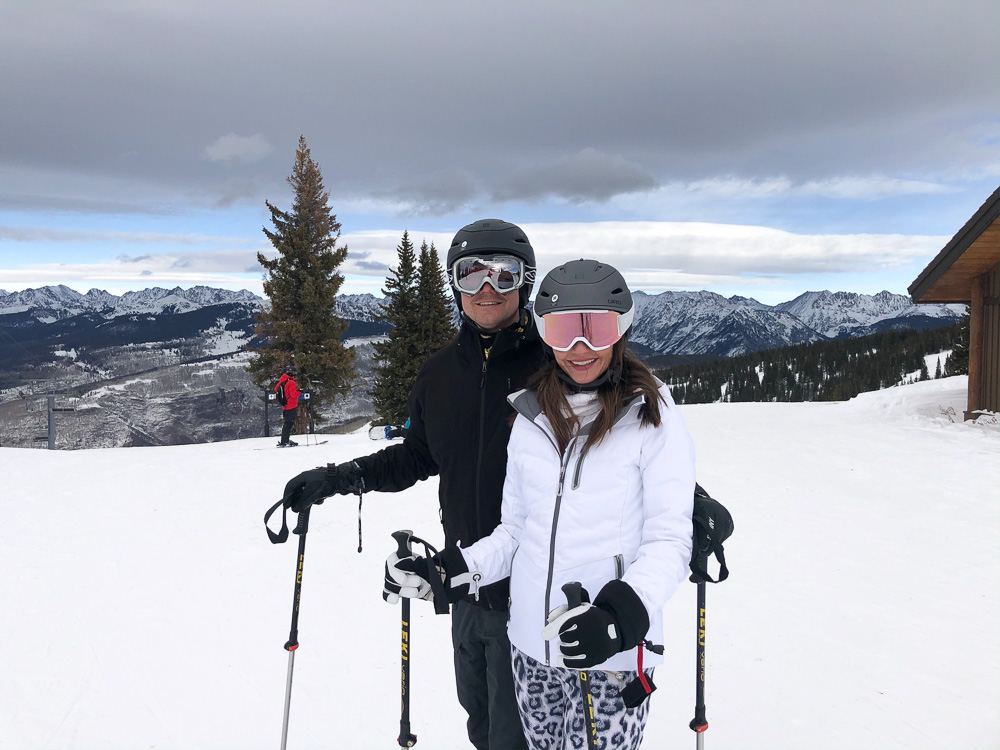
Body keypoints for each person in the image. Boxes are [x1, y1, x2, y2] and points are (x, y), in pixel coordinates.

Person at [389, 259, 696, 750]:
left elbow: (671, 538)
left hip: (609, 655)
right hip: (531, 649)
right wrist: (453, 568)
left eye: (596, 329)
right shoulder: (530, 417)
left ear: (621, 330)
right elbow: (515, 535)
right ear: (544, 335)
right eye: (561, 330)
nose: (580, 348)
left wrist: (618, 617)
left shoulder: (650, 415)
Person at [281, 218, 544, 750]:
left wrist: (687, 500)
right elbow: (419, 456)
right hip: (465, 585)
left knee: (520, 741)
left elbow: (613, 449)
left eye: (504, 274)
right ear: (455, 285)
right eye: (471, 275)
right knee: (481, 728)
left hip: (535, 594)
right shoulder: (440, 373)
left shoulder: (556, 367)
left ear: (526, 281)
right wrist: (341, 476)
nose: (486, 289)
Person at [275, 365, 301, 447]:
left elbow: (276, 389)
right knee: (289, 424)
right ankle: (284, 441)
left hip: (285, 405)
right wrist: (299, 393)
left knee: (287, 423)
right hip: (291, 405)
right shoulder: (291, 382)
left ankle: (285, 440)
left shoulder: (282, 381)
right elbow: (293, 395)